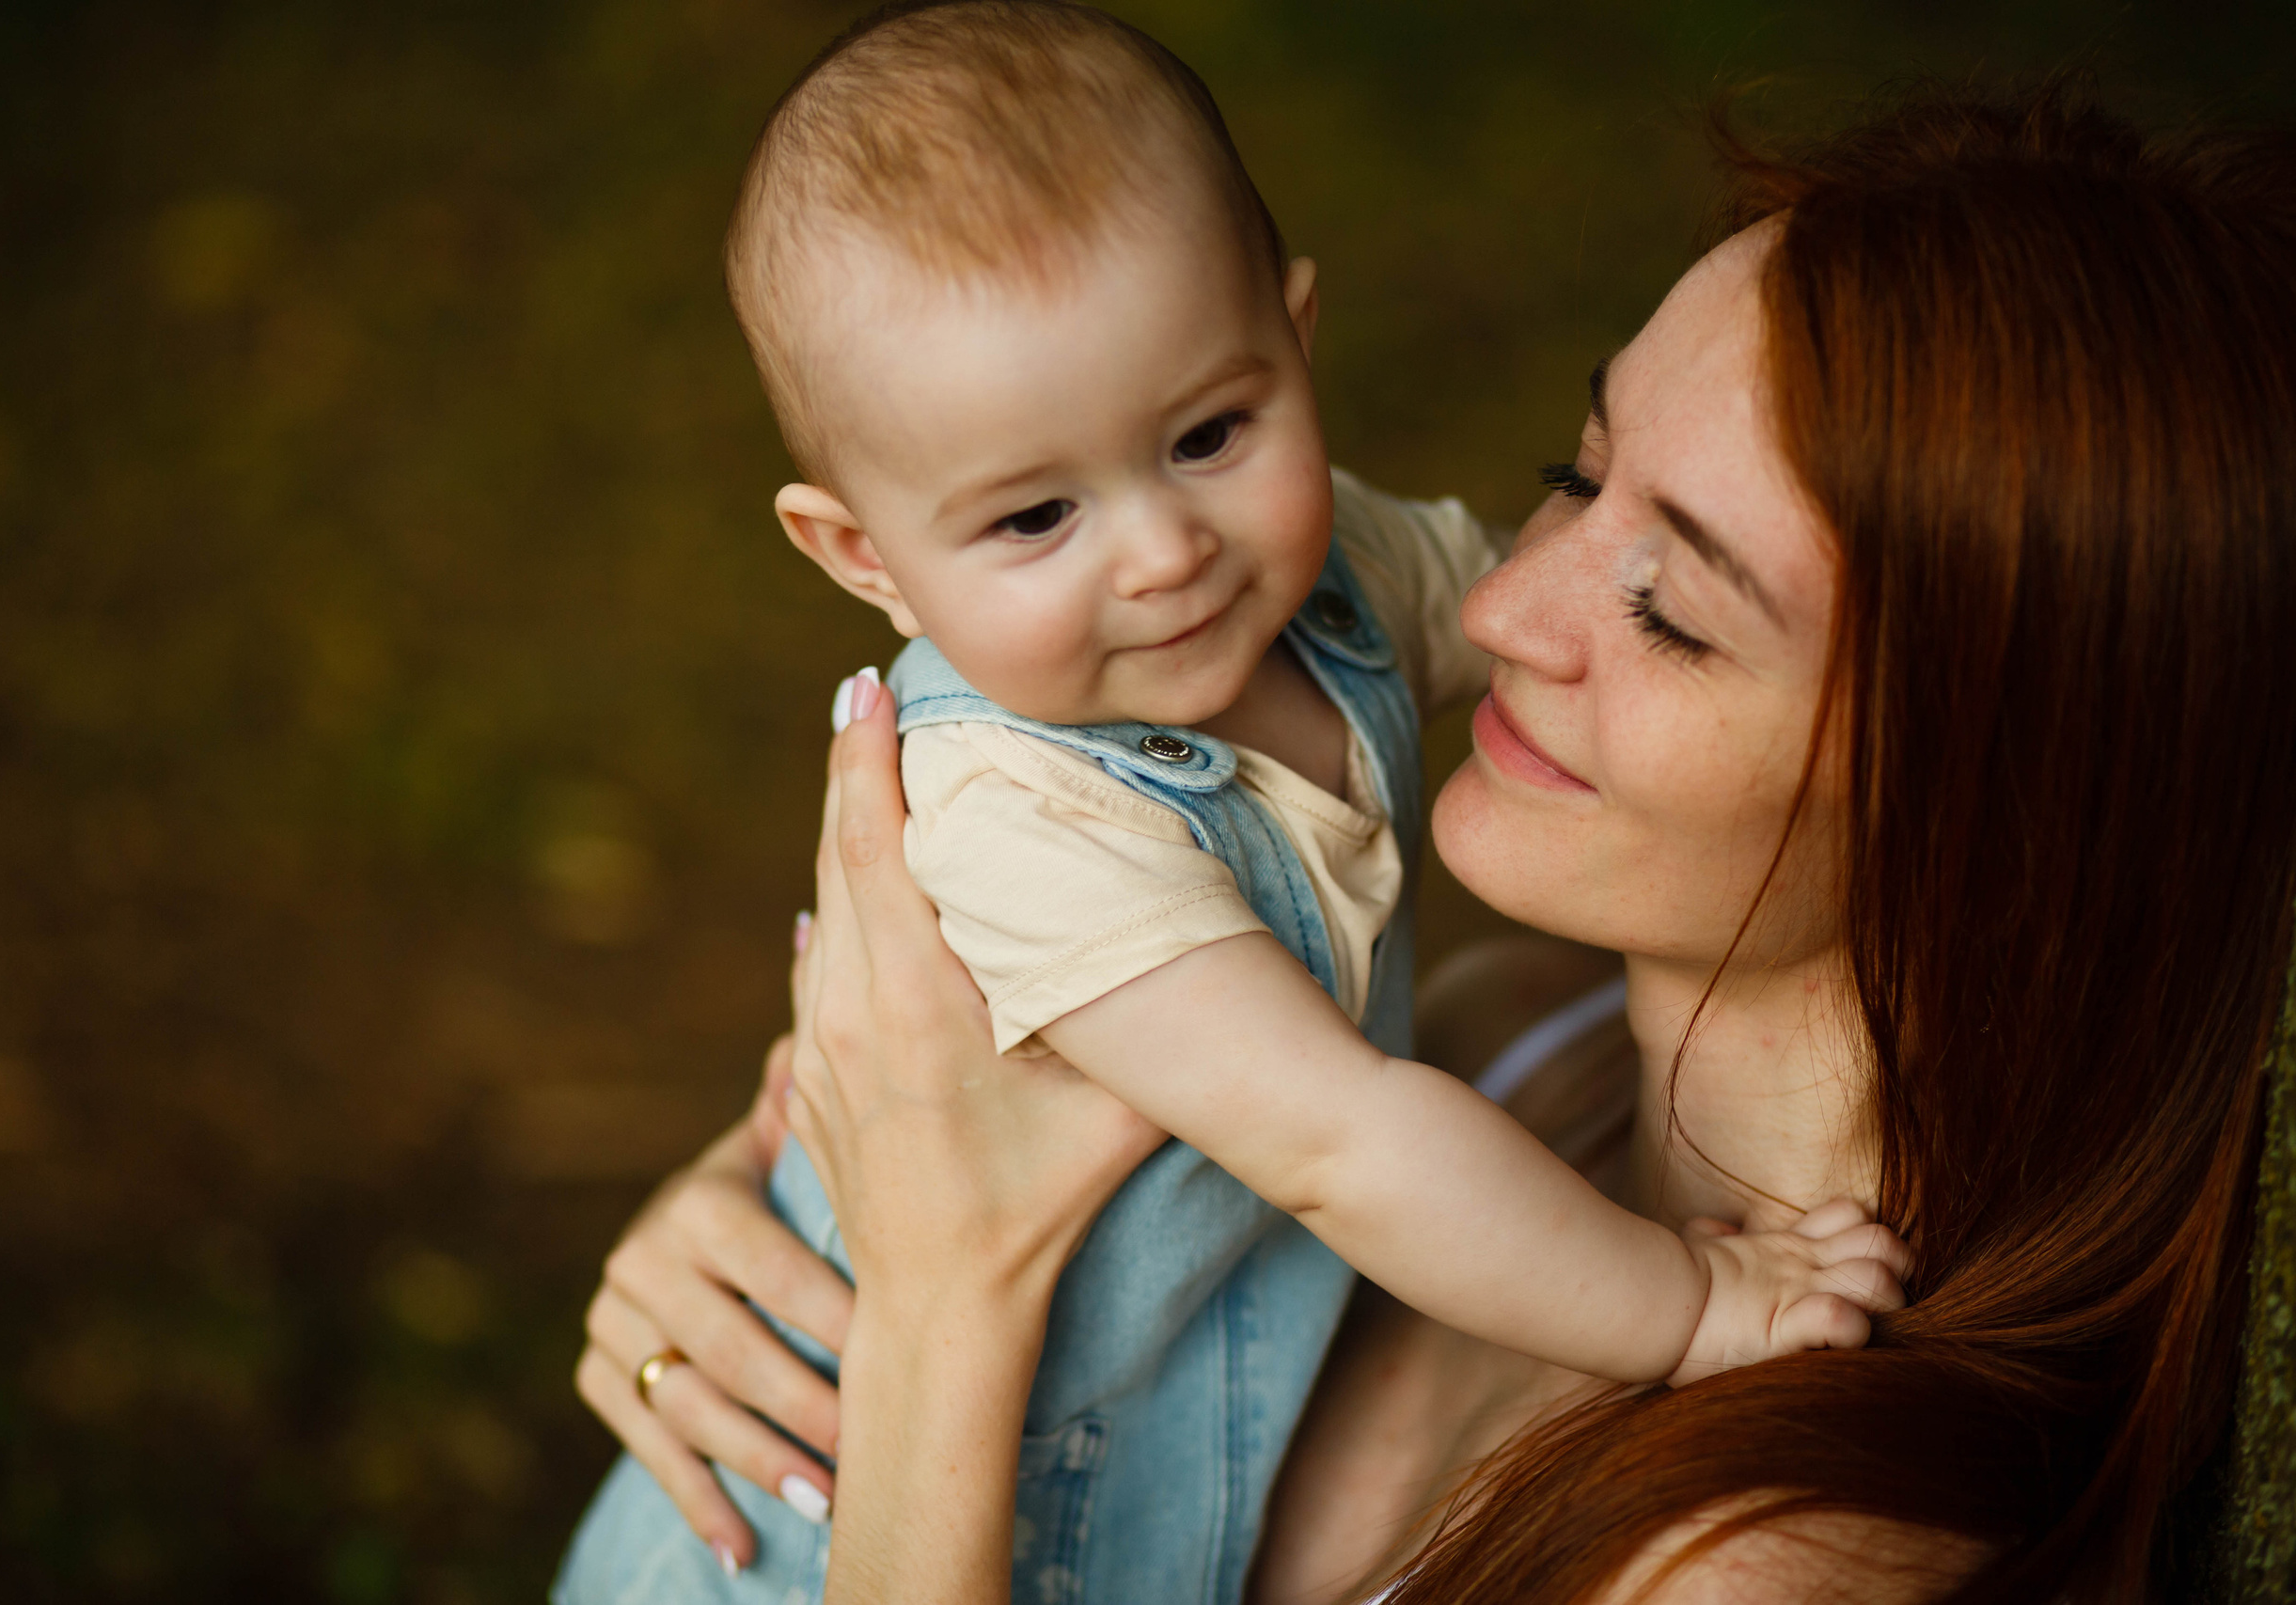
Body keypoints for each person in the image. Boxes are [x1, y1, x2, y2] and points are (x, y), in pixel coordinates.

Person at [567, 84, 2296, 1605]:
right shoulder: (1489, 1041)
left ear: (1992, 807)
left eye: (1674, 614)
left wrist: (946, 1316)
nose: (1498, 604)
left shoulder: (1770, 1564)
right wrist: (766, 1225)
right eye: (1574, 468)